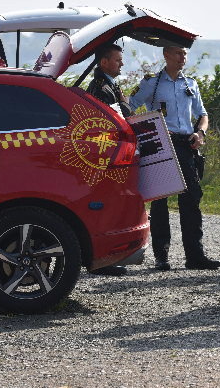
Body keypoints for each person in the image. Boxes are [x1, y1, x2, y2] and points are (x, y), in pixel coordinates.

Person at [129, 46, 220, 271]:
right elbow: (129, 107)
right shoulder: (152, 83)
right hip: (162, 144)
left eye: (185, 54)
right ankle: (162, 256)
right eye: (179, 53)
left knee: (191, 201)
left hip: (186, 144)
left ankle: (195, 255)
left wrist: (200, 133)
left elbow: (203, 114)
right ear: (166, 55)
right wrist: (145, 130)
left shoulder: (190, 83)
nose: (183, 58)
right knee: (160, 202)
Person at [84, 43, 132, 276]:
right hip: (107, 154)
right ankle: (103, 260)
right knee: (106, 208)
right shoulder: (102, 88)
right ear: (104, 62)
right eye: (117, 60)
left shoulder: (109, 85)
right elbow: (117, 121)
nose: (122, 63)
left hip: (110, 153)